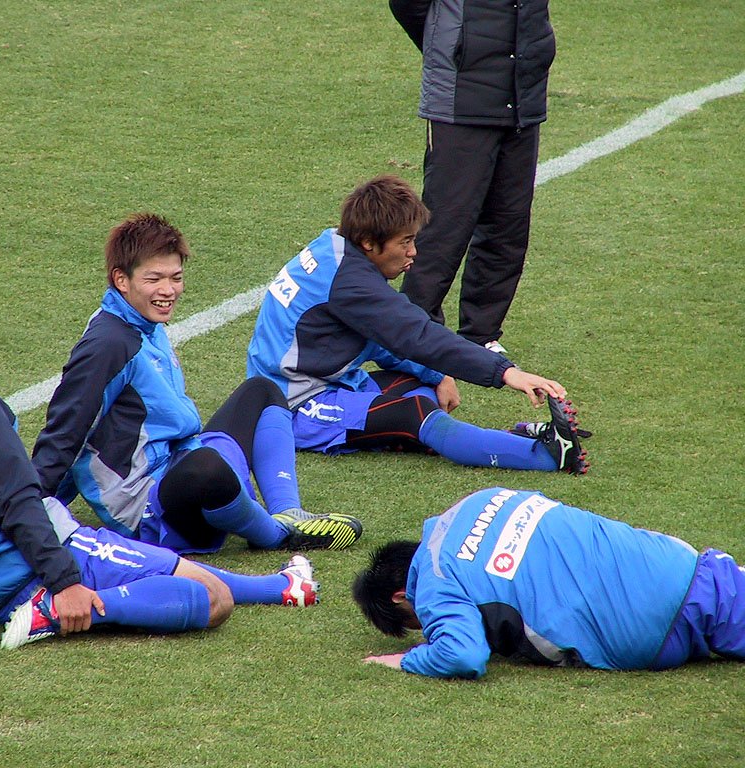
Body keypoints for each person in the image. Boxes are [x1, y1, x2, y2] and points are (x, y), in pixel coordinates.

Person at [0, 277, 322, 652]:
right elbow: (17, 499)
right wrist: (64, 583)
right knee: (212, 598)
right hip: (34, 564)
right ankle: (52, 613)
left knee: (175, 575)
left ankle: (282, 586)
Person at [31, 213, 363, 556]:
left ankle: (289, 512)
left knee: (262, 391)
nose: (168, 290)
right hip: (149, 507)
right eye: (154, 279)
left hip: (178, 463)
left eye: (176, 278)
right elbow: (68, 430)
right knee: (206, 468)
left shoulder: (144, 322)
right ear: (121, 280)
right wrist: (31, 505)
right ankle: (277, 536)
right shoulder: (109, 344)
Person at [246, 175, 588, 474]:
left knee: (422, 386)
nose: (413, 253)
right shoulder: (351, 282)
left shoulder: (336, 248)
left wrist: (438, 375)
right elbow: (417, 336)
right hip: (293, 408)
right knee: (416, 411)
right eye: (405, 242)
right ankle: (547, 455)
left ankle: (499, 438)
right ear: (368, 242)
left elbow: (381, 339)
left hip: (328, 384)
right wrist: (506, 373)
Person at [353, 487, 745, 678]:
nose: (429, 629)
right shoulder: (479, 498)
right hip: (682, 565)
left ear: (401, 596)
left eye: (418, 623)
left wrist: (407, 659)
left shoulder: (435, 582)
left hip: (645, 630)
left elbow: (462, 655)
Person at [388, 0, 556, 354]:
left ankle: (481, 335)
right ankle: (416, 333)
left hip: (523, 95)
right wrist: (453, 46)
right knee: (445, 226)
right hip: (460, 97)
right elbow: (408, 4)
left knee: (508, 223)